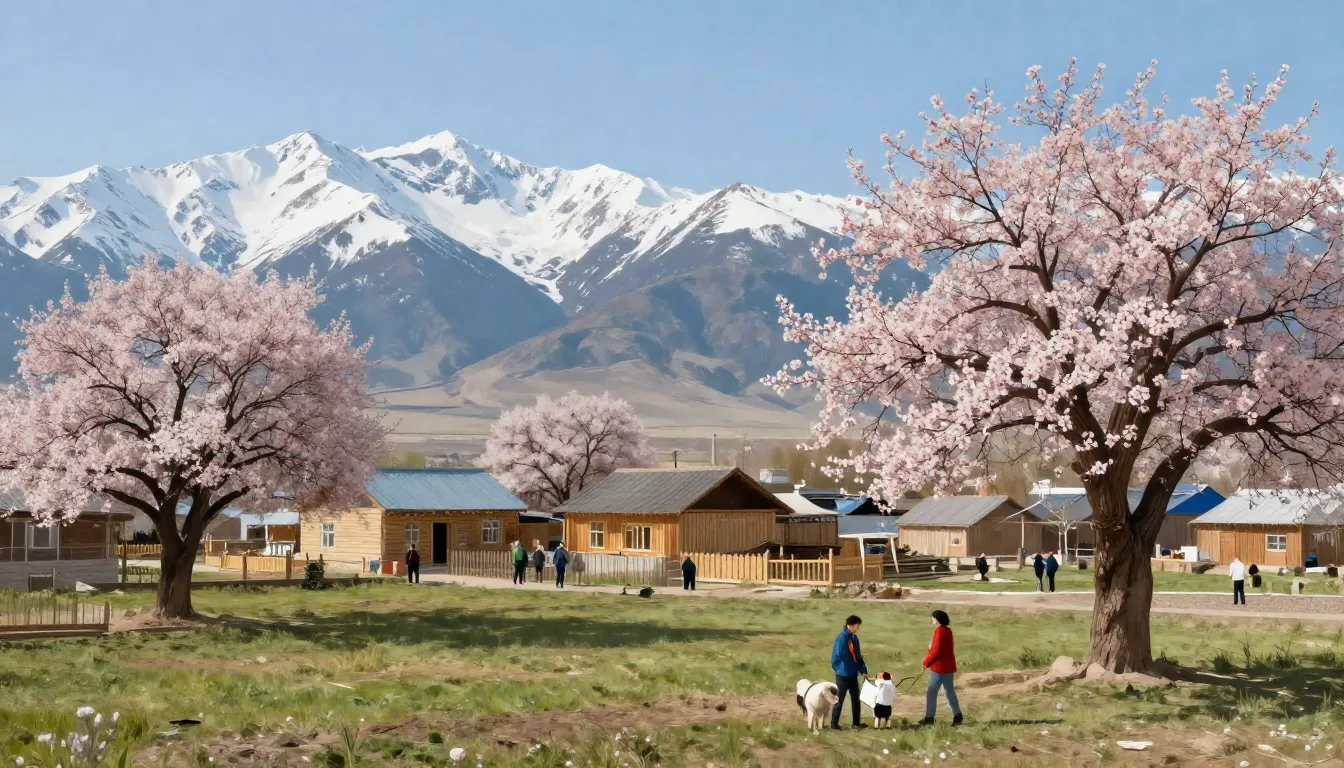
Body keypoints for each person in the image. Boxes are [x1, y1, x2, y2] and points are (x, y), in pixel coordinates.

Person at [922, 610, 962, 726]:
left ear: (937, 619)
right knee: (949, 691)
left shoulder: (939, 631)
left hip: (939, 668)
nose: (932, 619)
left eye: (933, 617)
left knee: (931, 692)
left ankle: (929, 718)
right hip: (949, 666)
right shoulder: (948, 630)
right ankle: (957, 715)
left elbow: (935, 651)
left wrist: (926, 663)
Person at [830, 615, 868, 730]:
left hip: (852, 674)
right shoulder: (841, 638)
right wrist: (856, 666)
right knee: (839, 699)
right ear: (850, 625)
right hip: (842, 674)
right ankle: (834, 724)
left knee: (856, 699)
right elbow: (844, 656)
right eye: (857, 626)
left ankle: (856, 723)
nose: (858, 628)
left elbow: (857, 655)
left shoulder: (854, 638)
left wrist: (863, 669)